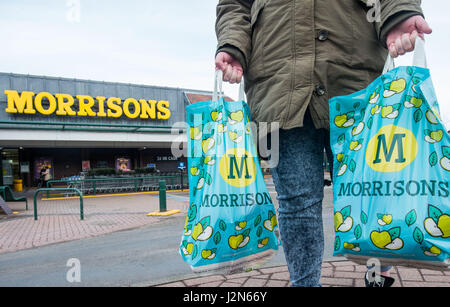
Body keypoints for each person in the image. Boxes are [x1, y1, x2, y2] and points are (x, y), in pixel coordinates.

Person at [215, 0, 432, 287]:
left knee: (375, 191)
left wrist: (399, 11)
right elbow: (235, 3)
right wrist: (233, 43)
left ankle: (379, 274)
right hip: (280, 78)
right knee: (297, 204)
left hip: (355, 71)